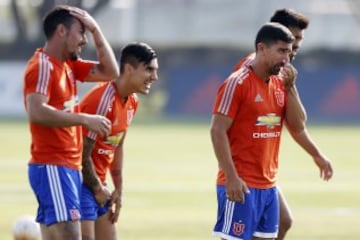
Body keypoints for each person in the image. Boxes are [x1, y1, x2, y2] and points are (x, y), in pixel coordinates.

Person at [234, 9, 334, 240]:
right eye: (293, 38)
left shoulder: (282, 72)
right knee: (246, 232)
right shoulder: (253, 69)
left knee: (282, 222)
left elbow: (296, 124)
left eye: (299, 40)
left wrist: (317, 154)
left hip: (264, 170)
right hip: (245, 168)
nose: (296, 45)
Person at [23, 5, 119, 240]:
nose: (84, 40)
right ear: (61, 31)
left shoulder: (69, 66)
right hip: (52, 164)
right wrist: (84, 119)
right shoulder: (43, 65)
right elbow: (36, 111)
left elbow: (111, 71)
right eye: (81, 32)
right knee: (70, 236)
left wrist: (96, 30)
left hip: (68, 167)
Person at [211, 22, 298, 240]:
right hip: (240, 184)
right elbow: (217, 130)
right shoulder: (237, 83)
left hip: (269, 187)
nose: (286, 59)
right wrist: (231, 177)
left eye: (289, 52)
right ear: (261, 48)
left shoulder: (281, 83)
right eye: (281, 51)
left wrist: (291, 88)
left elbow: (298, 125)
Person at [79, 42, 159, 240]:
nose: (154, 77)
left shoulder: (132, 101)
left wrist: (119, 189)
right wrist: (97, 189)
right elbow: (81, 153)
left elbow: (118, 144)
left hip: (98, 183)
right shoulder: (103, 100)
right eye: (149, 69)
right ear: (129, 69)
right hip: (79, 182)